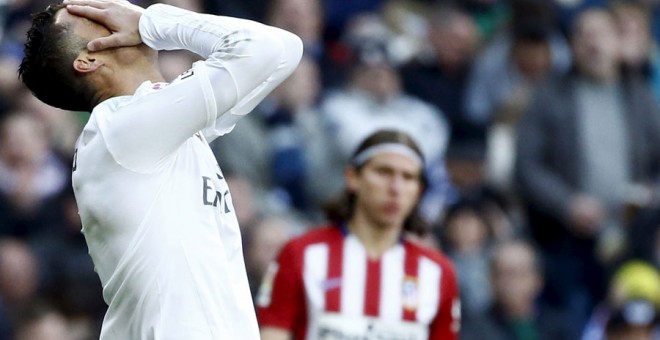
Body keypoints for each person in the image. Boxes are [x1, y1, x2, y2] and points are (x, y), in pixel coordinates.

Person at [18, 0, 302, 339]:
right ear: (87, 60)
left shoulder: (155, 128)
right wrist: (152, 22)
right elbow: (266, 48)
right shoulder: (119, 128)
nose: (118, 8)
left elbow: (287, 48)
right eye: (97, 14)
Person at [515, 7, 660, 336]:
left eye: (600, 34)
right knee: (572, 324)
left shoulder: (638, 92)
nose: (592, 43)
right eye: (583, 35)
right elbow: (526, 166)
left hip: (631, 235)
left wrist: (652, 191)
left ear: (616, 41)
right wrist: (566, 204)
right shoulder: (550, 95)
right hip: (567, 239)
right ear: (571, 45)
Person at [256, 130, 461, 340]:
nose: (396, 188)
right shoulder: (300, 253)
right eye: (384, 172)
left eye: (408, 177)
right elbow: (273, 332)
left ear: (418, 192)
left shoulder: (438, 272)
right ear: (353, 177)